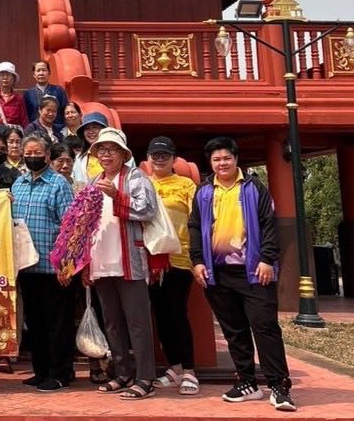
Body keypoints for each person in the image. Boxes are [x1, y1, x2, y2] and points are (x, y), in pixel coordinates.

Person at [188, 136, 294, 411]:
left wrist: (268, 258)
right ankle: (247, 382)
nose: (222, 163)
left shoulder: (253, 187)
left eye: (227, 158)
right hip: (218, 272)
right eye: (216, 159)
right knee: (234, 331)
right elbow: (195, 227)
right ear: (210, 163)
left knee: (265, 327)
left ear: (236, 159)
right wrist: (197, 261)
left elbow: (269, 223)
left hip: (254, 271)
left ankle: (279, 385)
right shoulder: (204, 191)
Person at [86, 127, 158, 400]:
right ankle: (122, 372)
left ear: (123, 154)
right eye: (101, 150)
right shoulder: (94, 180)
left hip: (129, 260)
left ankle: (145, 377)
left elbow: (148, 209)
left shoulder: (136, 177)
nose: (106, 154)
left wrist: (118, 196)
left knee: (138, 321)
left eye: (112, 149)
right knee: (113, 322)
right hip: (101, 261)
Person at [11, 134, 75, 392]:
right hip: (28, 266)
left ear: (47, 156)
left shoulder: (59, 184)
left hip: (53, 267)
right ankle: (41, 371)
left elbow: (70, 226)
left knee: (57, 324)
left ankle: (60, 374)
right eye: (28, 153)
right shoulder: (18, 184)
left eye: (37, 152)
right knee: (35, 323)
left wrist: (66, 264)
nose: (32, 157)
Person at [145, 136, 200, 396]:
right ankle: (175, 367)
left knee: (177, 313)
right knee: (161, 315)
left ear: (174, 159)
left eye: (165, 155)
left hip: (179, 257)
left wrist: (198, 257)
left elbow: (196, 220)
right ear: (148, 159)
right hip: (151, 259)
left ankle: (189, 370)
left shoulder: (186, 185)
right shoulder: (144, 183)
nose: (159, 159)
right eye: (155, 155)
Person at [23, 60, 68, 125]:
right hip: (35, 129)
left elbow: (65, 111)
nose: (41, 73)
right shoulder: (28, 94)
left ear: (49, 73)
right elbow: (26, 116)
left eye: (44, 70)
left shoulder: (58, 90)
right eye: (38, 70)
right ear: (34, 74)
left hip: (57, 129)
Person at [73, 111, 110, 187]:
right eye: (87, 128)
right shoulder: (79, 158)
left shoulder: (121, 155)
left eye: (95, 127)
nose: (90, 132)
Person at [0, 61, 26, 127]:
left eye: (8, 75)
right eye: (2, 75)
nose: (5, 77)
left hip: (14, 132)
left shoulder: (19, 99)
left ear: (13, 78)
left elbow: (24, 121)